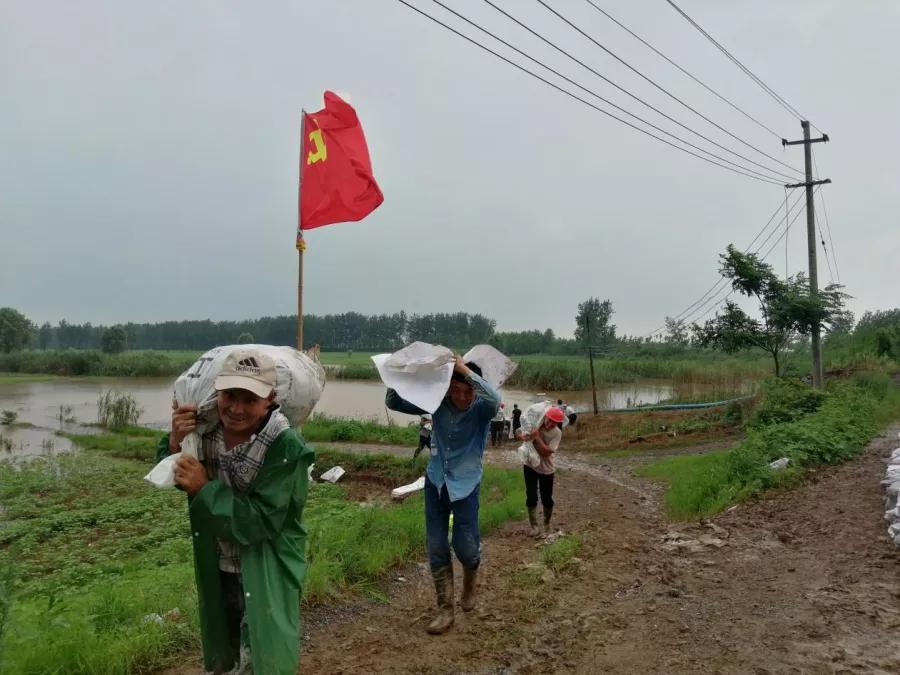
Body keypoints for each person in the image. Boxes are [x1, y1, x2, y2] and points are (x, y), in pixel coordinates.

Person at [157, 348, 314, 674]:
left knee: (266, 652)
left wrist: (204, 489)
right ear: (217, 392)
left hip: (267, 561)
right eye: (229, 396)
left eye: (249, 399)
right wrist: (175, 442)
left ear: (270, 399)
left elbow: (262, 520)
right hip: (218, 559)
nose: (236, 408)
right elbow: (179, 474)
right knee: (224, 646)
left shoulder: (284, 446)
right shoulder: (204, 430)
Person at [385, 357, 500, 635]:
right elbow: (394, 401)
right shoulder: (437, 402)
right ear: (447, 387)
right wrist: (403, 372)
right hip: (436, 483)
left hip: (466, 486)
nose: (461, 396)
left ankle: (470, 582)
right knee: (436, 546)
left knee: (466, 547)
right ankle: (445, 609)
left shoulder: (482, 409)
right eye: (456, 389)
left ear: (475, 389)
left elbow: (495, 399)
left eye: (467, 391)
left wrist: (462, 369)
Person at [518, 406, 564, 537]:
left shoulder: (557, 433)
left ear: (558, 423)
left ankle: (546, 524)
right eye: (549, 420)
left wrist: (537, 437)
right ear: (546, 417)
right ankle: (534, 526)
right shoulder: (536, 423)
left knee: (546, 498)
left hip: (546, 470)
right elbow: (520, 433)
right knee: (531, 496)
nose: (550, 424)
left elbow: (546, 452)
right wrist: (523, 435)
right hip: (530, 466)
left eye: (554, 422)